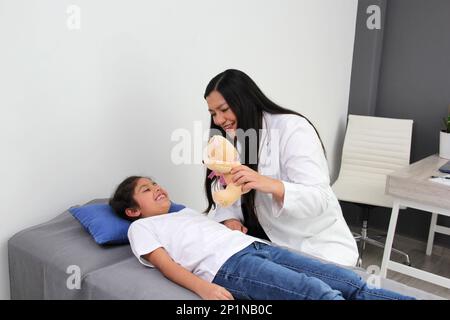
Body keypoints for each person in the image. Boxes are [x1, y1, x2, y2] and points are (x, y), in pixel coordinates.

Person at [109, 176, 414, 300]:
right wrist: (205, 289)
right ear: (133, 211)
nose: (157, 188)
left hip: (254, 246)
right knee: (318, 294)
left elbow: (207, 231)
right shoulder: (141, 229)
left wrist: (229, 225)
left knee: (350, 283)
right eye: (146, 190)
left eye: (155, 183)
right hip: (229, 267)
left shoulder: (184, 211)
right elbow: (168, 266)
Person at [203, 69, 358, 266]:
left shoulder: (293, 129)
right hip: (264, 239)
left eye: (223, 110)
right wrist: (230, 219)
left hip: (312, 244)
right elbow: (228, 192)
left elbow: (319, 199)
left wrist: (269, 184)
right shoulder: (233, 137)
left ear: (245, 100)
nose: (218, 120)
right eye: (213, 113)